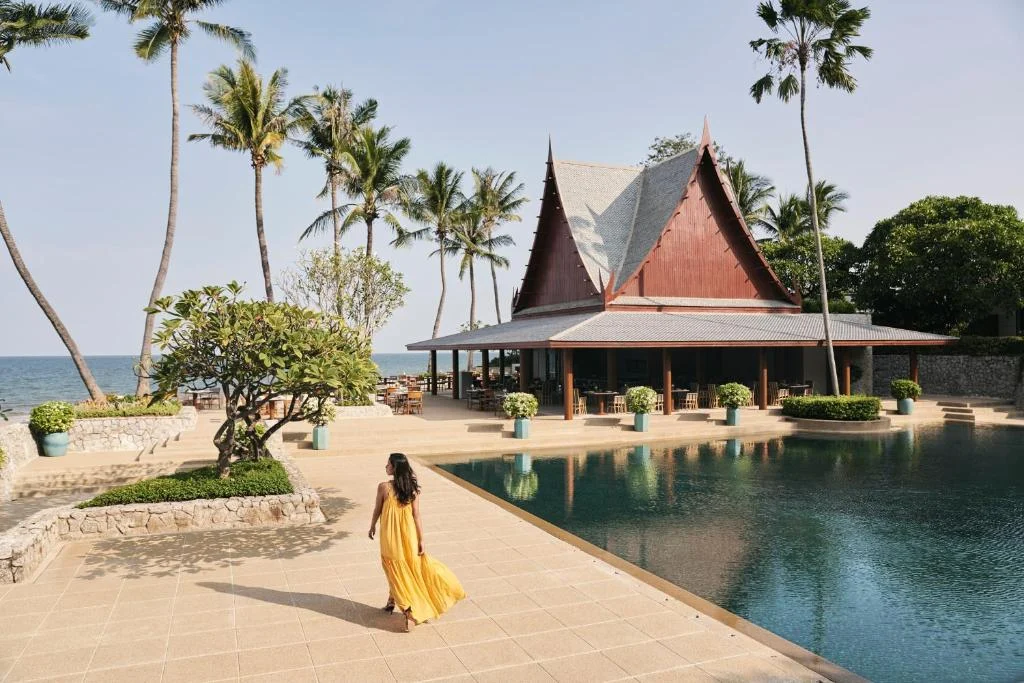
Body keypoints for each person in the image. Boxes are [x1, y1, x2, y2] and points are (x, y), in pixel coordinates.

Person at [368, 452, 466, 631]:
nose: (386, 467)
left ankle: (409, 612)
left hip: (391, 537)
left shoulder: (384, 487)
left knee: (394, 569)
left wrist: (372, 525)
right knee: (404, 568)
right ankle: (391, 601)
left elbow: (377, 509)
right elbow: (416, 516)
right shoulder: (412, 489)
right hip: (409, 536)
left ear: (395, 468)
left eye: (388, 464)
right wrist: (420, 539)